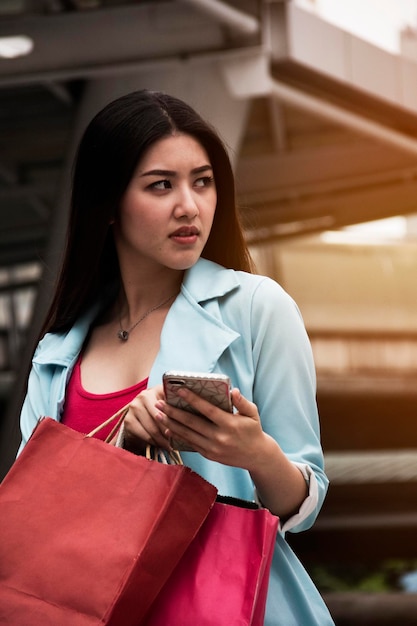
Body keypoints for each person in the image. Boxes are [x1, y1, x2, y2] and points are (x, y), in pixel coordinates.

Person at [18, 89, 334, 625]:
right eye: (161, 185)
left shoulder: (258, 309)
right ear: (109, 203)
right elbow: (39, 520)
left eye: (203, 181)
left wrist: (254, 452)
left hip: (229, 607)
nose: (189, 205)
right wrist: (126, 446)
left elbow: (304, 501)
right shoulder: (56, 353)